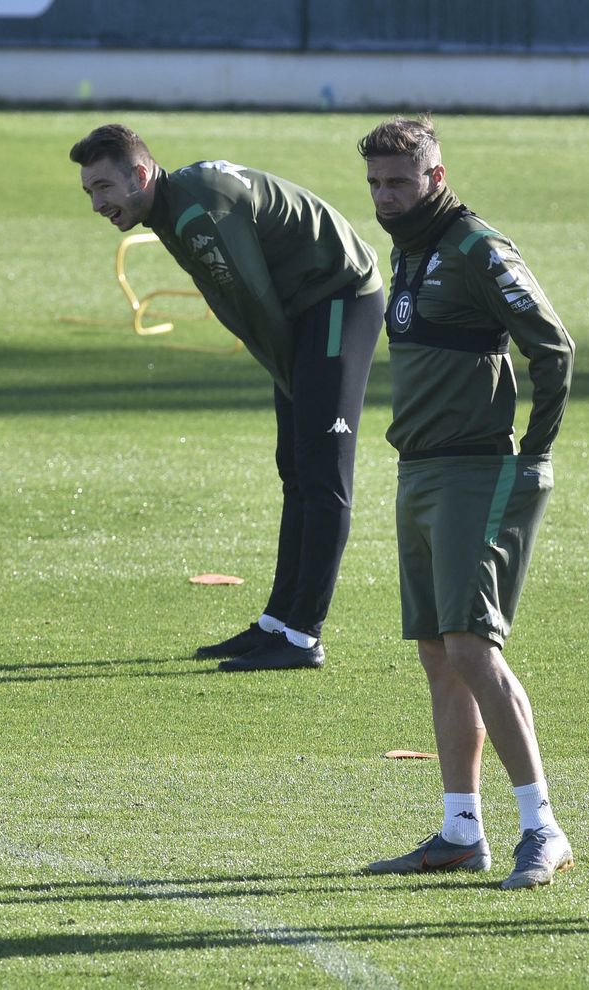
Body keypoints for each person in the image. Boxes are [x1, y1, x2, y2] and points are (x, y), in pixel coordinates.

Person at [70, 124, 383, 672]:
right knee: (297, 466)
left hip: (339, 298)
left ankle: (304, 636)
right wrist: (295, 383)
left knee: (323, 472)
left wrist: (300, 384)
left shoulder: (194, 213)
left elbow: (255, 304)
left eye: (103, 188)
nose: (97, 203)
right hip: (307, 309)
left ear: (140, 175)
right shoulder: (171, 202)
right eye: (89, 192)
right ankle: (279, 623)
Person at [354, 117, 575, 890]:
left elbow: (554, 347)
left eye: (400, 183)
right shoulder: (409, 245)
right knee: (439, 656)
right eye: (376, 184)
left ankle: (543, 828)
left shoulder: (478, 249)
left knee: (474, 649)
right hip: (417, 473)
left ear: (436, 178)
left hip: (476, 475)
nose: (385, 197)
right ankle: (460, 830)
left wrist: (535, 454)